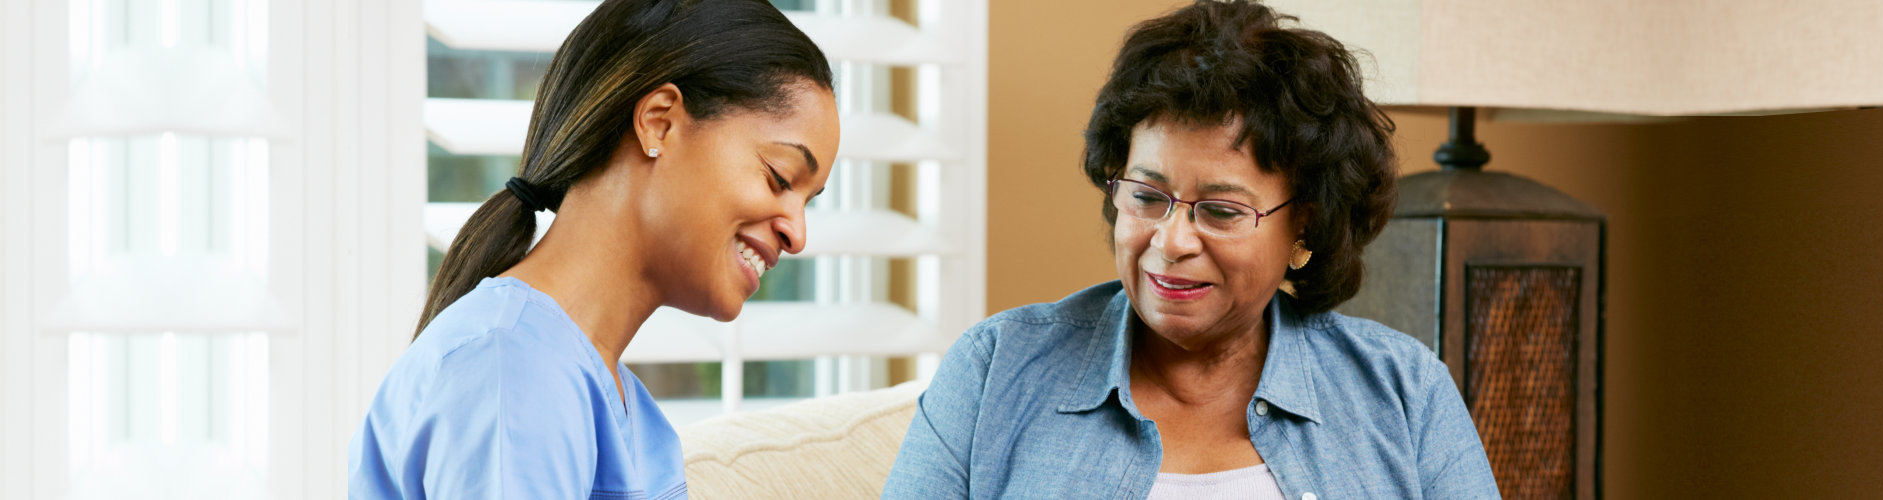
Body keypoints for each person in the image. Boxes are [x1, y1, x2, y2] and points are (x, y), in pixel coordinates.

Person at [883, 1, 1498, 498]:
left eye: (1223, 211)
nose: (1171, 242)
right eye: (1148, 197)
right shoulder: (996, 369)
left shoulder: (1403, 393)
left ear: (1305, 227)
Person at [349, 0, 839, 498]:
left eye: (807, 202)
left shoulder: (624, 410)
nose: (797, 235)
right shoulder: (513, 374)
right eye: (780, 177)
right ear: (659, 122)